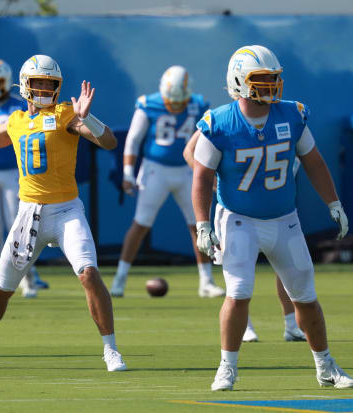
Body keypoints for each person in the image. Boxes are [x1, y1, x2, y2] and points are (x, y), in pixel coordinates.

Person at [0, 54, 126, 372]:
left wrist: (90, 118)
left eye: (50, 84)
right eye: (39, 83)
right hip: (29, 214)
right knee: (1, 289)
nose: (44, 88)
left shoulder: (65, 113)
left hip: (67, 211)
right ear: (26, 85)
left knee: (89, 273)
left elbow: (109, 142)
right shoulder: (15, 121)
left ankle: (110, 350)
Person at [192, 45, 352, 391]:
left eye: (273, 78)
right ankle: (227, 368)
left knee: (305, 296)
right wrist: (203, 223)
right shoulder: (219, 122)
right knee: (238, 293)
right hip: (238, 220)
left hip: (285, 219)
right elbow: (202, 176)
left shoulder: (292, 114)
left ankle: (325, 367)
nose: (270, 86)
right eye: (261, 79)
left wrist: (334, 203)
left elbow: (313, 161)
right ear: (239, 81)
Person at [109, 66, 224, 298]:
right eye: (171, 101)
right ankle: (119, 279)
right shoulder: (148, 104)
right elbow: (133, 140)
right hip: (155, 170)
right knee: (141, 224)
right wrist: (129, 173)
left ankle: (206, 281)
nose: (175, 106)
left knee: (198, 225)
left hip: (187, 170)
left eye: (180, 101)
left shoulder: (199, 104)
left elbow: (211, 140)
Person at [184, 126, 306, 343]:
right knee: (239, 272)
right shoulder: (224, 121)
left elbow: (312, 157)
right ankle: (245, 325)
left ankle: (291, 324)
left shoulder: (287, 115)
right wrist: (212, 180)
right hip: (238, 210)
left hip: (277, 204)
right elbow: (189, 151)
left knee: (286, 267)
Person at [0, 57, 47, 298]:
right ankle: (1, 281)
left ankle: (28, 278)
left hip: (13, 171)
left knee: (18, 227)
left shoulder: (19, 106)